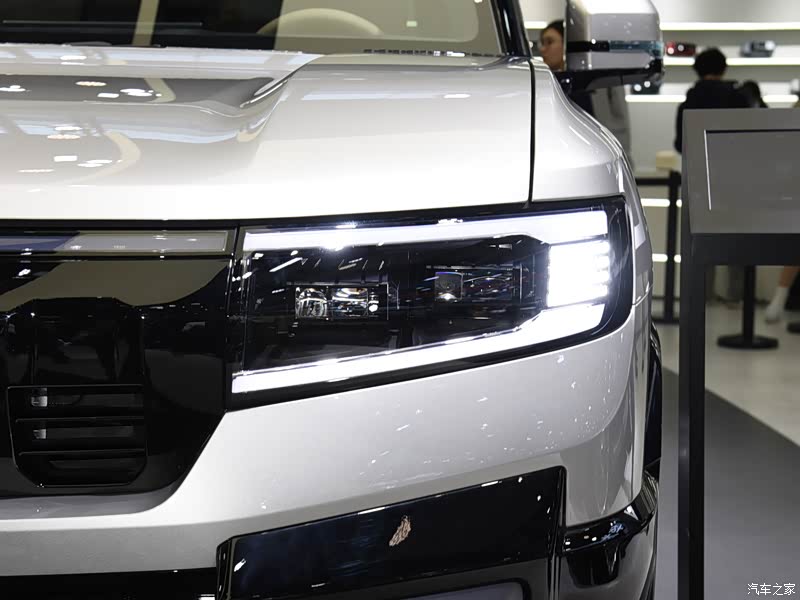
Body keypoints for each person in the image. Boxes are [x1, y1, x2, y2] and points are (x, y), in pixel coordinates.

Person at [539, 20, 633, 159]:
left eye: (550, 42)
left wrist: (624, 161)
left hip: (601, 159)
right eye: (542, 43)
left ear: (566, 45)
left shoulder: (600, 79)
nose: (543, 49)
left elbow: (620, 124)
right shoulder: (544, 86)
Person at [674, 48, 749, 153]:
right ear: (723, 69)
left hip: (697, 160)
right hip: (733, 158)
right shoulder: (737, 97)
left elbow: (680, 145)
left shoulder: (688, 103)